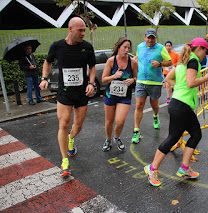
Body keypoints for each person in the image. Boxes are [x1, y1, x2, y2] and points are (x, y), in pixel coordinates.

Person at [144, 38, 208, 187]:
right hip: (182, 105)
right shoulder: (194, 61)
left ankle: (184, 168)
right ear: (200, 48)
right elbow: (191, 83)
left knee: (193, 134)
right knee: (176, 137)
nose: (205, 55)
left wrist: (180, 89)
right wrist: (206, 78)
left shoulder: (184, 60)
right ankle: (152, 168)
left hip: (177, 103)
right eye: (206, 52)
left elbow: (168, 78)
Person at [39, 17, 96, 177]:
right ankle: (64, 161)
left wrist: (91, 83)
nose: (83, 33)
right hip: (64, 92)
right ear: (70, 29)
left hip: (81, 92)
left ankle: (71, 139)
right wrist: (44, 78)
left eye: (84, 30)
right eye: (80, 30)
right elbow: (47, 62)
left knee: (78, 126)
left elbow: (92, 67)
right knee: (63, 124)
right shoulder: (57, 46)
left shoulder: (87, 47)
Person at [131, 28, 172, 144]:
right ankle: (136, 131)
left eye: (152, 37)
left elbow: (169, 62)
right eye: (148, 37)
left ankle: (155, 116)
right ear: (145, 37)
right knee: (139, 105)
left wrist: (159, 64)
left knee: (154, 104)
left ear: (156, 38)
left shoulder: (161, 48)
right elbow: (137, 59)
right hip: (141, 81)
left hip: (155, 82)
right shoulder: (139, 47)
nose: (150, 40)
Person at [101, 37, 137, 151]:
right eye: (124, 47)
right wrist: (114, 76)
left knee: (120, 121)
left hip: (124, 96)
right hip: (110, 95)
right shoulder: (111, 61)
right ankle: (108, 140)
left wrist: (133, 80)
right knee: (109, 121)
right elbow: (104, 79)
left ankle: (116, 137)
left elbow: (137, 77)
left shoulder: (132, 62)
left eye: (128, 48)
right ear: (119, 47)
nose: (127, 50)